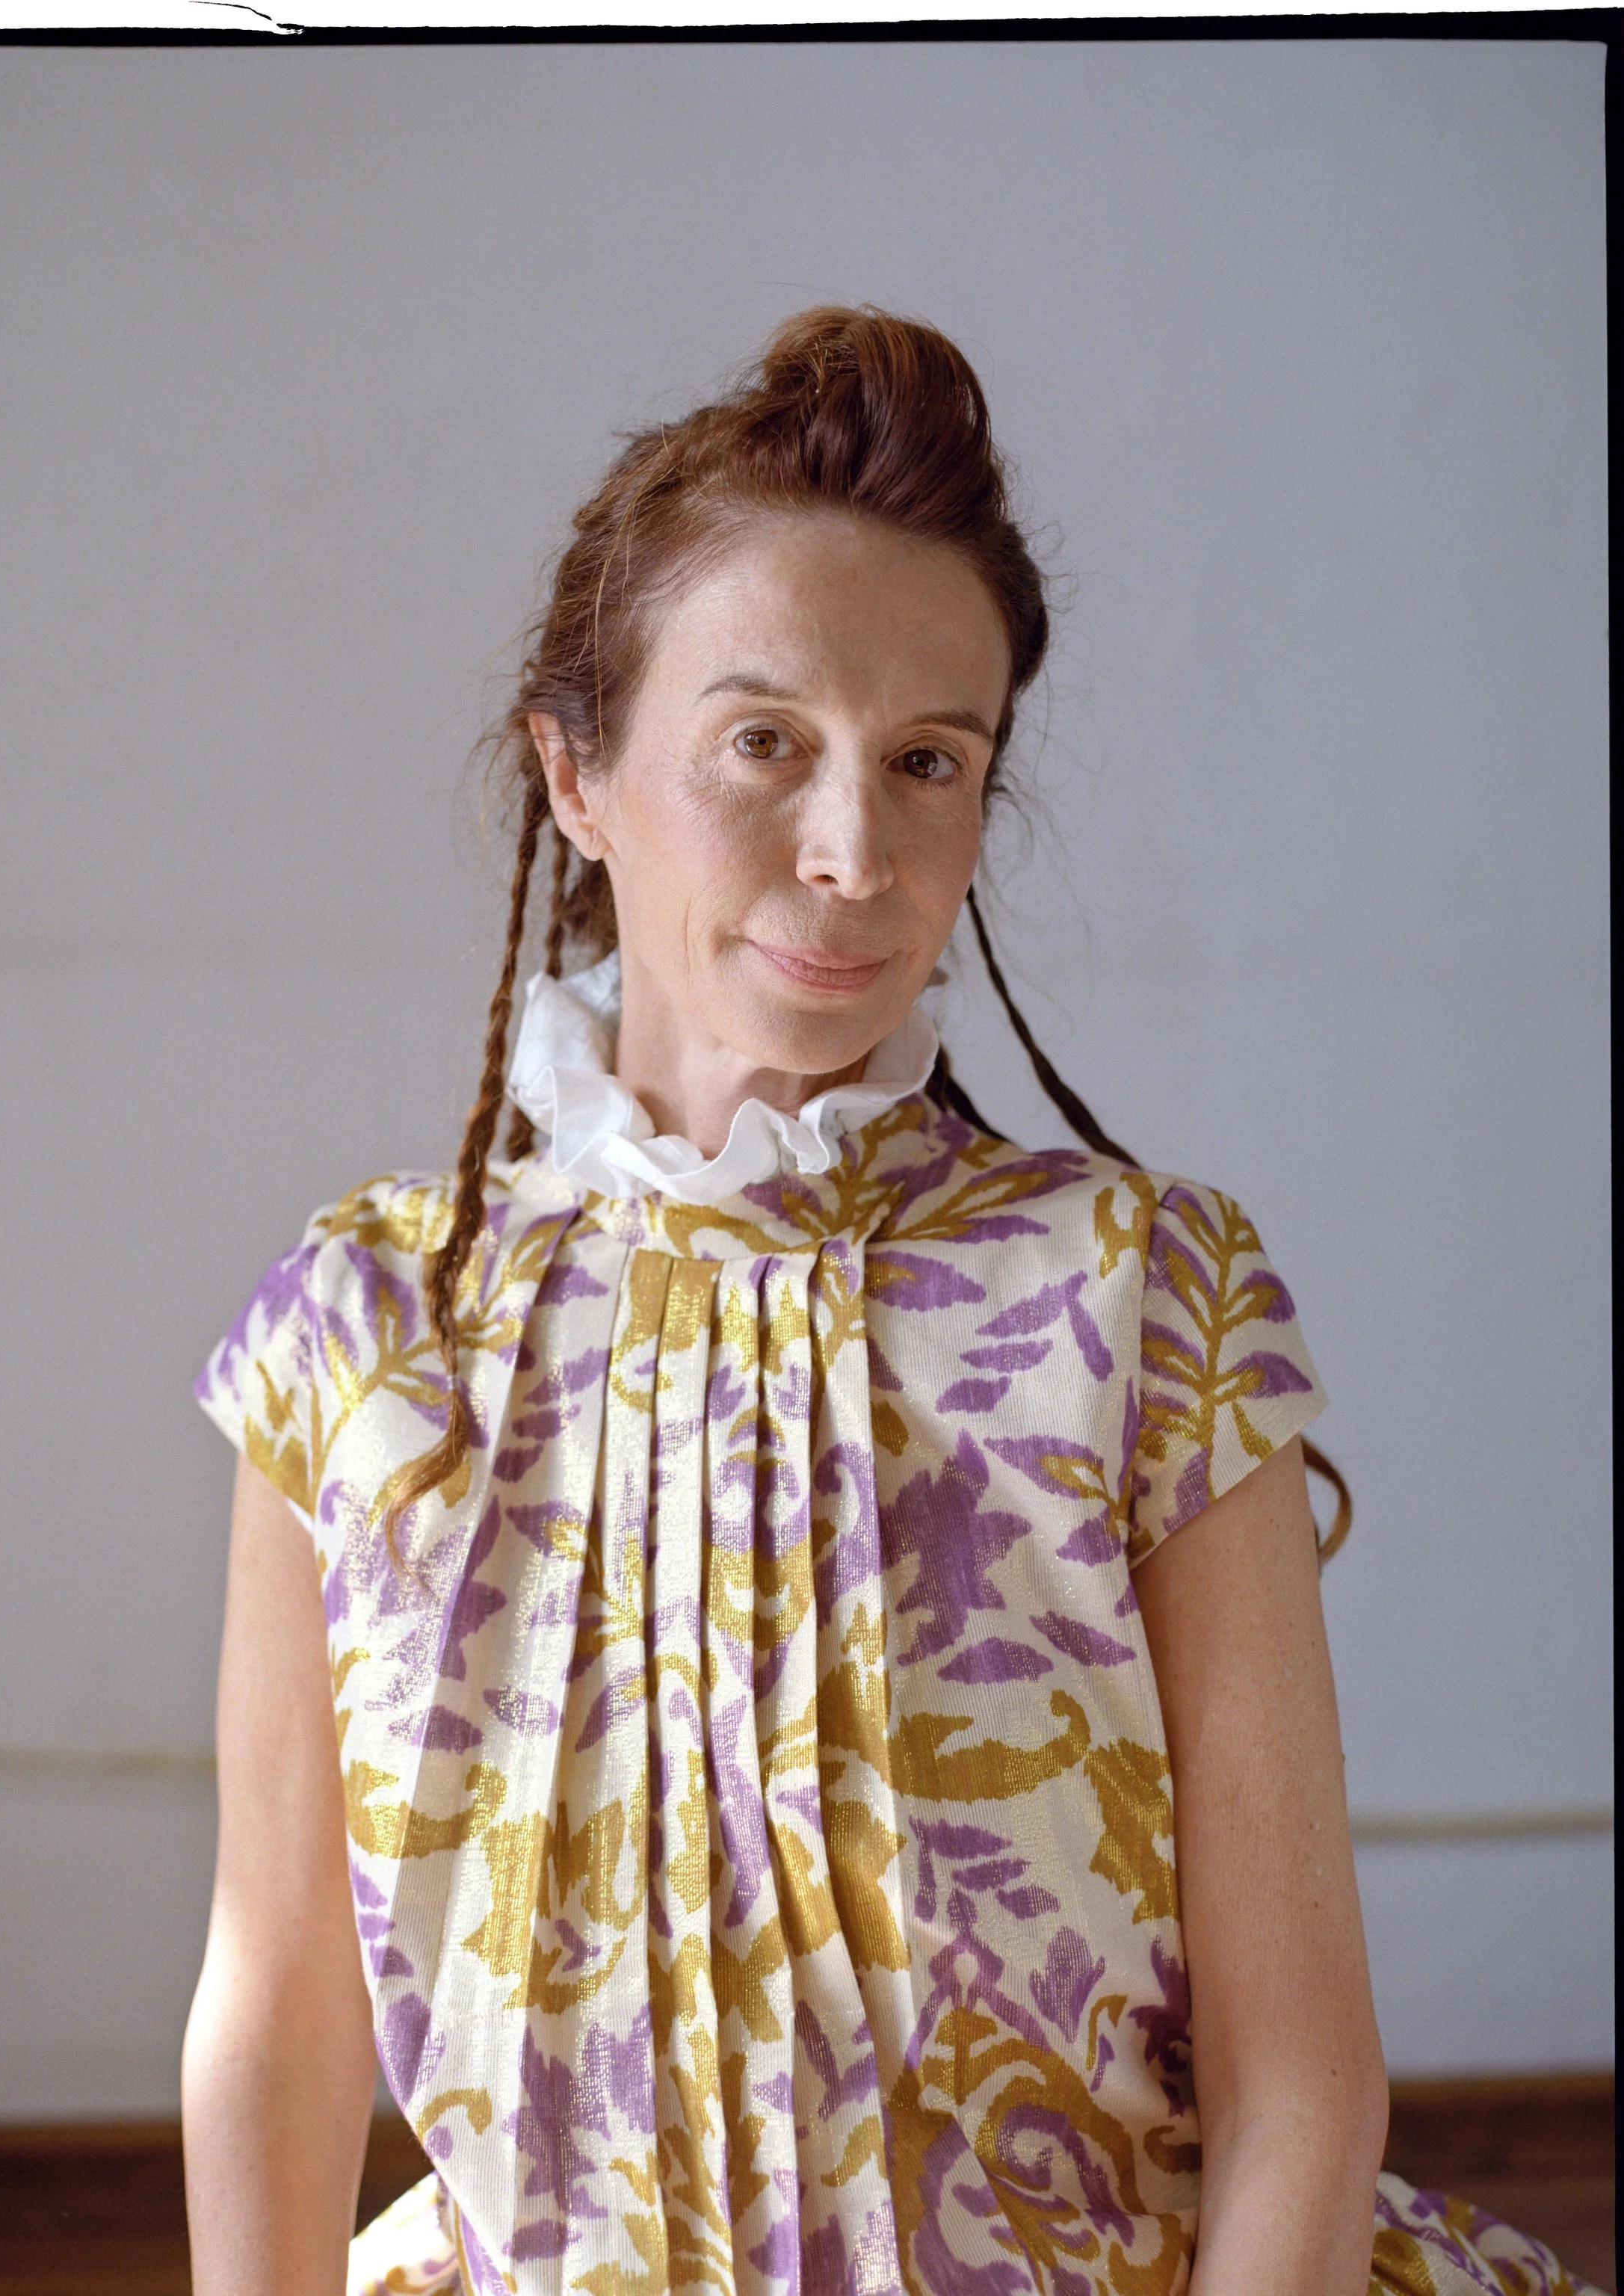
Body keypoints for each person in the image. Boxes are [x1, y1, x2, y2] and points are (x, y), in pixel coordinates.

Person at [181, 309, 1592, 2296]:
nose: (852, 854)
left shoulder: (1143, 1300)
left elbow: (1301, 2091)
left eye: (928, 762)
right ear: (574, 774)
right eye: (761, 743)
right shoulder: (360, 1333)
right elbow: (276, 2013)